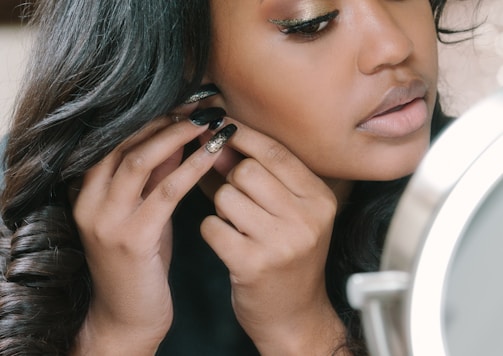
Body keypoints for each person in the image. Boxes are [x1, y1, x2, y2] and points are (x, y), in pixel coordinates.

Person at [0, 0, 464, 355]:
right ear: (184, 60)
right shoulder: (20, 212)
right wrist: (115, 334)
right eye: (311, 22)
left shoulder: (484, 195)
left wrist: (302, 331)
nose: (394, 45)